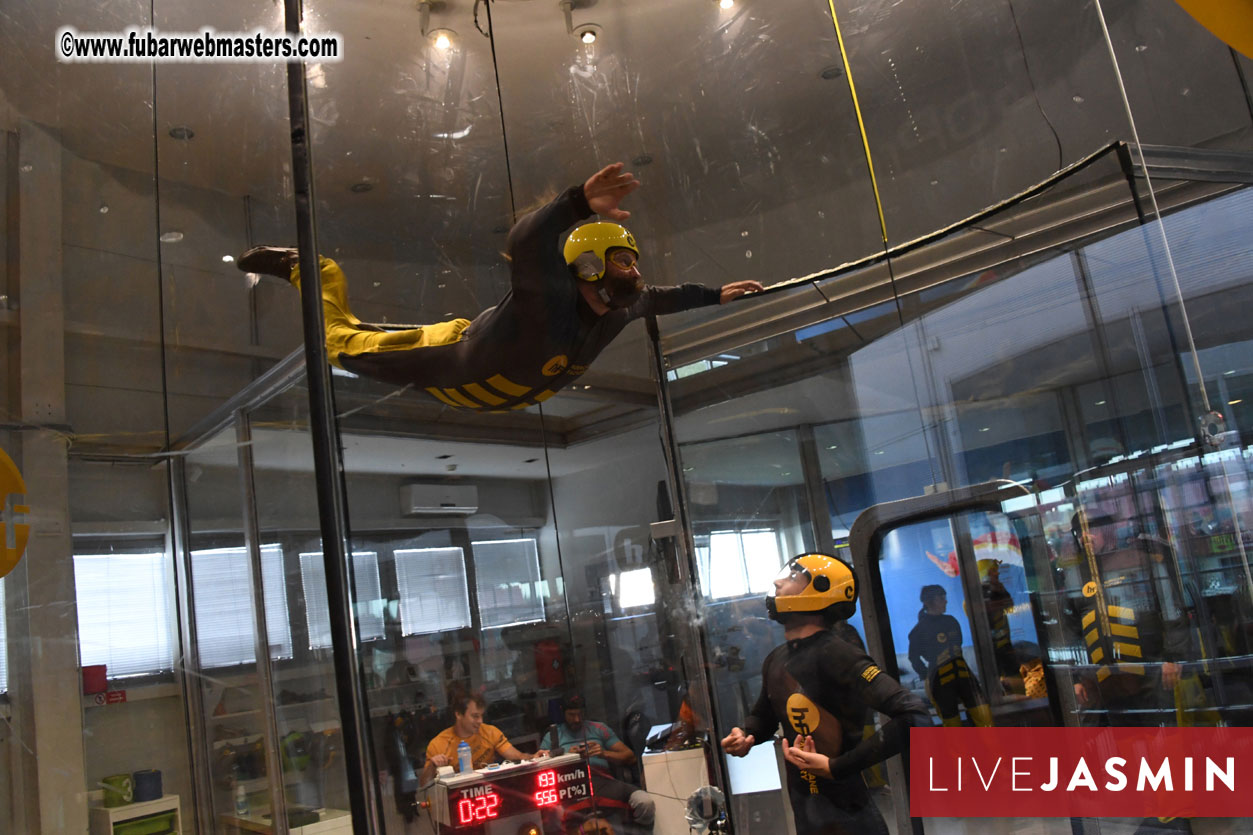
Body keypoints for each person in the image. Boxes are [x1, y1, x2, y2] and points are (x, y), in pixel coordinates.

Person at [237, 163, 762, 412]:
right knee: (338, 342)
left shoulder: (617, 310)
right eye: (622, 260)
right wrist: (577, 202)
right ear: (587, 266)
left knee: (365, 335)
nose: (635, 272)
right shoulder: (547, 300)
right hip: (448, 359)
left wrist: (714, 295)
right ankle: (315, 270)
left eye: (633, 261)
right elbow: (528, 240)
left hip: (483, 379)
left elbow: (661, 298)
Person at [720, 554, 931, 835]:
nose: (778, 582)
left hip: (849, 817)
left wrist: (837, 767)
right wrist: (747, 734)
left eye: (793, 577)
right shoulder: (777, 658)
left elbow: (914, 715)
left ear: (820, 589)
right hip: (808, 814)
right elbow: (765, 715)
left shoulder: (838, 654)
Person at [1067, 511, 1195, 832]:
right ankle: (1154, 814)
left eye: (1091, 530)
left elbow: (1170, 607)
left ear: (1109, 530)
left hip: (1151, 670)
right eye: (1080, 532)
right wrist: (1078, 677)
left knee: (1162, 742)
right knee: (1130, 747)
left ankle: (1174, 816)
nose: (1085, 537)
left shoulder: (1140, 559)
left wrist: (1173, 657)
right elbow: (1073, 632)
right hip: (1108, 680)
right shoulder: (1075, 577)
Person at [540, 694, 655, 834]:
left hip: (604, 782)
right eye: (571, 715)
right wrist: (568, 757)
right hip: (571, 788)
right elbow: (541, 766)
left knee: (645, 803)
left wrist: (603, 753)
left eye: (580, 714)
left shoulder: (599, 728)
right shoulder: (553, 736)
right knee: (549, 819)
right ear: (563, 713)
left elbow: (630, 757)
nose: (577, 719)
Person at [907, 585, 992, 727]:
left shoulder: (951, 621)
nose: (945, 601)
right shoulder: (918, 631)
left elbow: (958, 644)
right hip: (941, 682)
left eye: (944, 597)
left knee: (985, 717)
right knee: (952, 725)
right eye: (941, 598)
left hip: (964, 676)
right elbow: (914, 658)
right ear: (929, 602)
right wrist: (927, 676)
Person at [420, 693, 547, 783]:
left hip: (490, 790)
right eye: (475, 716)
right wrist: (432, 765)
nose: (480, 721)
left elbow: (517, 756)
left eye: (481, 716)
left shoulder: (490, 732)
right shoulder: (438, 744)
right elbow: (424, 784)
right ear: (458, 714)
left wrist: (534, 757)